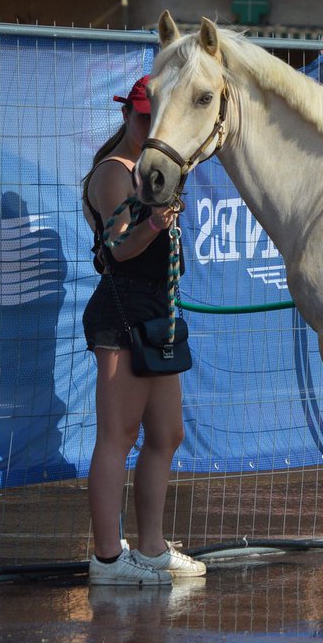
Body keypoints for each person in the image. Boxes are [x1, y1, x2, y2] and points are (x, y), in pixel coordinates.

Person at [80, 75, 206, 585]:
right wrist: (154, 224)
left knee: (167, 434)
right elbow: (118, 249)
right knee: (118, 436)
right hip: (120, 310)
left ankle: (152, 550)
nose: (149, 124)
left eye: (157, 116)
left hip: (157, 311)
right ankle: (108, 559)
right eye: (141, 115)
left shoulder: (158, 168)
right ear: (126, 115)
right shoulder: (114, 171)